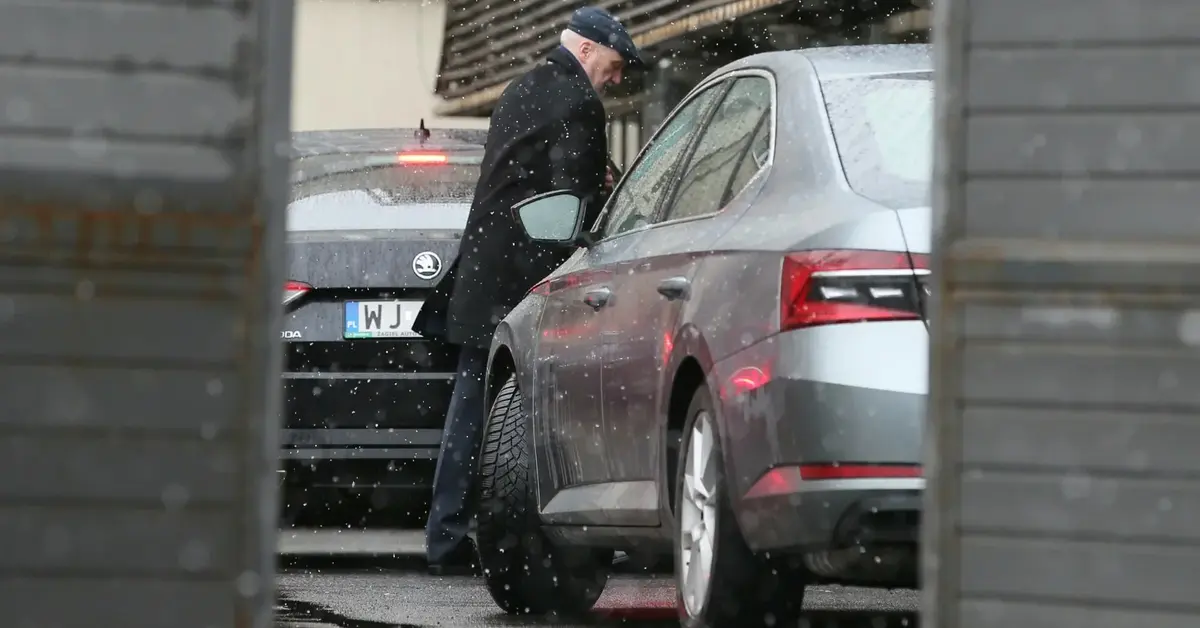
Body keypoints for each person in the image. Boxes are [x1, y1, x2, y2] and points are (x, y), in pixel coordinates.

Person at [411, 6, 644, 576]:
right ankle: (527, 539)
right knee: (512, 419)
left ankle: (447, 535)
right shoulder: (577, 101)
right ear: (587, 48)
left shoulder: (525, 87)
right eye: (614, 66)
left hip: (486, 276)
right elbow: (575, 201)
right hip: (522, 285)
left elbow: (532, 177)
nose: (616, 80)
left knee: (472, 414)